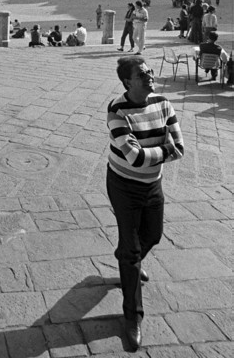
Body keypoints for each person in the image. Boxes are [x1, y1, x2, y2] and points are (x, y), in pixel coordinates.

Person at [107, 56, 184, 350]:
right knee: (131, 252)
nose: (150, 75)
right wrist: (164, 149)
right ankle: (132, 317)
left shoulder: (163, 103)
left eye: (149, 71)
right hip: (123, 186)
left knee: (153, 234)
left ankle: (128, 255)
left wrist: (157, 151)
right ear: (128, 82)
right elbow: (134, 157)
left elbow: (180, 148)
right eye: (142, 74)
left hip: (153, 184)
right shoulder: (117, 110)